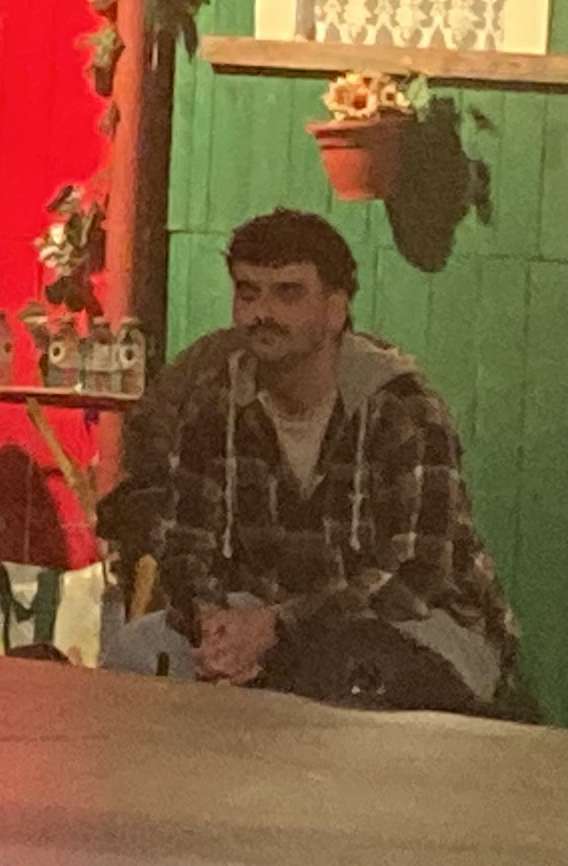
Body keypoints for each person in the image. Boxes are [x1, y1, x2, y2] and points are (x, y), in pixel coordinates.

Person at [99, 210, 521, 713]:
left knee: (351, 669)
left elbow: (417, 575)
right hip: (267, 618)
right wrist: (212, 624)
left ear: (335, 310)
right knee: (138, 651)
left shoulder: (401, 407)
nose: (262, 312)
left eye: (288, 293)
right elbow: (184, 548)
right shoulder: (216, 402)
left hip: (415, 624)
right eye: (248, 292)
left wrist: (277, 627)